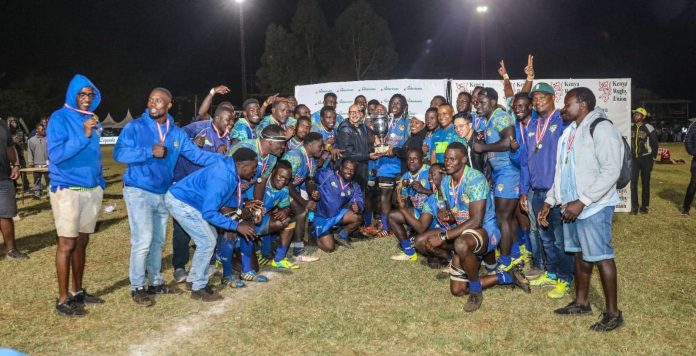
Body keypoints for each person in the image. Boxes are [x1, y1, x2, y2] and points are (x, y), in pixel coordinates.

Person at [114, 87, 221, 306]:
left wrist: (223, 160)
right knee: (142, 240)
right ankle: (137, 286)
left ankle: (155, 282)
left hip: (163, 191)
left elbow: (197, 155)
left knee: (158, 241)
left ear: (169, 104)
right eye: (151, 99)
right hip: (138, 189)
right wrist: (148, 152)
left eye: (159, 101)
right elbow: (119, 154)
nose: (153, 104)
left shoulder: (177, 133)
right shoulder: (135, 127)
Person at [540, 87, 624, 332]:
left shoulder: (602, 128)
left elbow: (611, 170)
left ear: (582, 103)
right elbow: (562, 171)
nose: (564, 109)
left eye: (568, 104)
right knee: (579, 255)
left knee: (601, 256)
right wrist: (550, 199)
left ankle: (613, 313)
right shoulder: (569, 133)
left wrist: (583, 201)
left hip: (593, 206)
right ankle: (581, 302)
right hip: (570, 206)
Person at [416, 143, 529, 312]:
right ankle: (505, 276)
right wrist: (447, 215)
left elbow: (476, 220)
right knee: (458, 290)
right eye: (446, 159)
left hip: (486, 230)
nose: (448, 162)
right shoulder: (446, 181)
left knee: (461, 243)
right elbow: (455, 211)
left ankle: (476, 291)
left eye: (452, 159)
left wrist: (443, 237)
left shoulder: (475, 179)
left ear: (463, 159)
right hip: (464, 232)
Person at [165, 148, 259, 301]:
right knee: (207, 242)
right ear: (243, 166)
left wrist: (241, 211)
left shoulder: (231, 168)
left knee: (210, 237)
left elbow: (225, 199)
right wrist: (236, 226)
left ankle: (194, 279)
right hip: (181, 201)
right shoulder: (223, 177)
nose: (255, 171)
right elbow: (209, 213)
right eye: (254, 168)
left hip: (191, 201)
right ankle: (198, 288)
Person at [47, 74, 105, 316]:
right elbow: (57, 155)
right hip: (67, 189)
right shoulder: (58, 118)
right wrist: (84, 134)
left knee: (82, 241)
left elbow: (94, 155)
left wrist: (100, 180)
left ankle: (77, 291)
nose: (87, 99)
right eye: (82, 94)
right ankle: (62, 300)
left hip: (91, 189)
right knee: (67, 243)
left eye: (90, 95)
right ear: (73, 94)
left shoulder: (91, 118)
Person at [170, 104, 234, 283]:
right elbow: (178, 138)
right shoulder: (200, 127)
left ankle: (209, 262)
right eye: (228, 119)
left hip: (205, 187)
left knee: (209, 221)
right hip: (184, 182)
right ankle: (179, 267)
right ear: (217, 118)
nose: (231, 123)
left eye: (232, 120)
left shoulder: (228, 137)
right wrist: (192, 143)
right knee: (181, 228)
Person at [522, 82, 574, 298]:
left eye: (542, 96)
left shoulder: (562, 121)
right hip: (536, 191)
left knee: (561, 239)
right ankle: (551, 273)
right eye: (534, 98)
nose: (537, 101)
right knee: (545, 236)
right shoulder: (533, 125)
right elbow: (526, 160)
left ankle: (565, 279)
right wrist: (524, 190)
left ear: (554, 97)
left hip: (557, 192)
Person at [472, 88, 523, 278]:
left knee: (503, 218)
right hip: (500, 173)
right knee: (507, 218)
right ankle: (515, 254)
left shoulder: (500, 116)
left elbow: (509, 142)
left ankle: (506, 261)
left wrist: (483, 147)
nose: (478, 105)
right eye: (477, 102)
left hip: (508, 172)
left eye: (482, 102)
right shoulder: (489, 120)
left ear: (493, 102)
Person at [282, 132, 323, 262]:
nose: (321, 149)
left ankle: (294, 246)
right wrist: (304, 202)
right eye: (320, 146)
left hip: (291, 190)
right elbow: (286, 183)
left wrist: (313, 191)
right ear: (310, 145)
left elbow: (309, 180)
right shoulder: (294, 156)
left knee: (300, 213)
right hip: (280, 190)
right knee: (301, 212)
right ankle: (298, 252)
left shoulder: (312, 159)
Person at [376, 94, 411, 237]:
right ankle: (385, 225)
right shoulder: (384, 121)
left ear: (404, 106)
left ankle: (407, 224)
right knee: (384, 195)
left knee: (401, 196)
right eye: (393, 103)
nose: (395, 105)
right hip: (384, 164)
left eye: (398, 103)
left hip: (400, 164)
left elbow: (408, 145)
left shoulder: (407, 123)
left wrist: (395, 151)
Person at [388, 148, 431, 261]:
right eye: (409, 159)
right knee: (392, 216)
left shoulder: (430, 172)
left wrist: (423, 190)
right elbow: (395, 201)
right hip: (417, 211)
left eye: (415, 159)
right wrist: (399, 189)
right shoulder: (406, 176)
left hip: (433, 214)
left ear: (422, 159)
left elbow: (441, 194)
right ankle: (409, 252)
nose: (411, 161)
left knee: (431, 257)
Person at [313, 159, 364, 252]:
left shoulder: (354, 186)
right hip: (321, 216)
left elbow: (359, 201)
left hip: (336, 215)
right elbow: (310, 178)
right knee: (329, 248)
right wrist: (312, 192)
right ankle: (314, 236)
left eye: (352, 170)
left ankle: (341, 235)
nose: (349, 172)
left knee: (358, 217)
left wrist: (359, 207)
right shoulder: (327, 175)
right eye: (347, 168)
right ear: (340, 168)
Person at [0, 116, 27, 259]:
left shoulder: (3, 124)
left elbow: (9, 147)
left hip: (3, 177)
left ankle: (11, 250)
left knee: (6, 214)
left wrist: (16, 164)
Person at [630, 107, 658, 214]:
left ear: (643, 116)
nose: (635, 116)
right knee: (633, 183)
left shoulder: (649, 127)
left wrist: (653, 157)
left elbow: (655, 143)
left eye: (638, 114)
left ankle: (645, 207)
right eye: (635, 114)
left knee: (645, 183)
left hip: (646, 158)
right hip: (634, 159)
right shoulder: (630, 127)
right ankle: (634, 207)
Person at [7, 117, 30, 196]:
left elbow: (23, 143)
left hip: (20, 155)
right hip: (10, 157)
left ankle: (26, 188)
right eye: (11, 122)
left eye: (15, 122)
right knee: (11, 173)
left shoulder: (20, 132)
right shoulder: (6, 133)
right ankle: (14, 189)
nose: (14, 124)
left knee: (23, 173)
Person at [27, 123, 49, 199]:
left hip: (47, 164)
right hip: (36, 164)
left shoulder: (48, 139)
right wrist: (31, 162)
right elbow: (30, 152)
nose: (44, 131)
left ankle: (49, 194)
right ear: (37, 130)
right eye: (42, 130)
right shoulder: (31, 140)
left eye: (44, 129)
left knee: (48, 180)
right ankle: (37, 194)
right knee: (37, 180)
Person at [681, 119, 696, 216]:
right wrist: (694, 152)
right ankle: (686, 207)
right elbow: (688, 140)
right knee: (694, 184)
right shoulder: (694, 125)